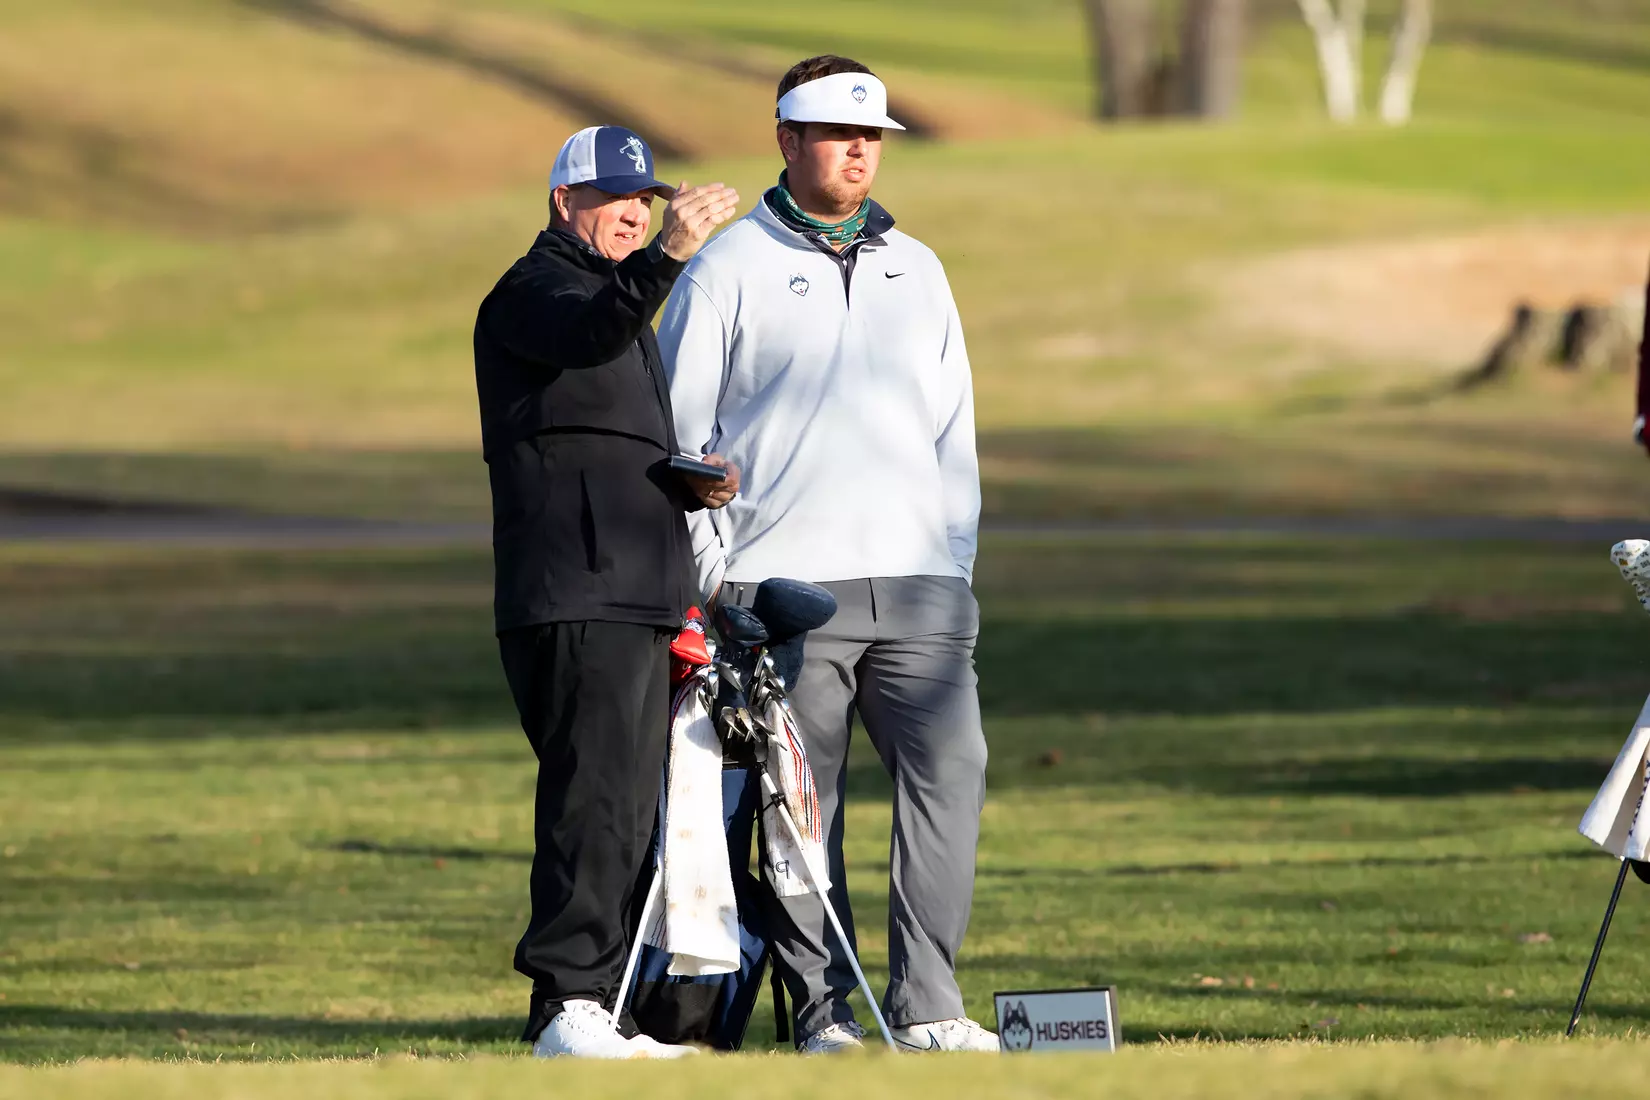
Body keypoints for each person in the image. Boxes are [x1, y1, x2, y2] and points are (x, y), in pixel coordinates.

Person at [656, 57, 996, 1054]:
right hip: (784, 588)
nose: (859, 151)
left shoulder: (918, 267)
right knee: (804, 812)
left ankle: (928, 1005)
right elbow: (677, 437)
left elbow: (954, 431)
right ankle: (823, 1013)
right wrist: (716, 577)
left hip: (922, 588)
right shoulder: (728, 267)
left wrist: (956, 562)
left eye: (872, 136)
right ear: (787, 140)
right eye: (839, 134)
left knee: (952, 776)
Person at [473, 125, 740, 1059]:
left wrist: (689, 483)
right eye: (614, 196)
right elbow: (585, 337)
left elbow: (606, 442)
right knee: (589, 799)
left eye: (644, 199)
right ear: (564, 202)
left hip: (637, 589)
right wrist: (670, 256)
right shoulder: (532, 290)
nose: (634, 212)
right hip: (573, 591)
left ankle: (604, 1005)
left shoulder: (621, 304)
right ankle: (566, 1005)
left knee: (628, 807)